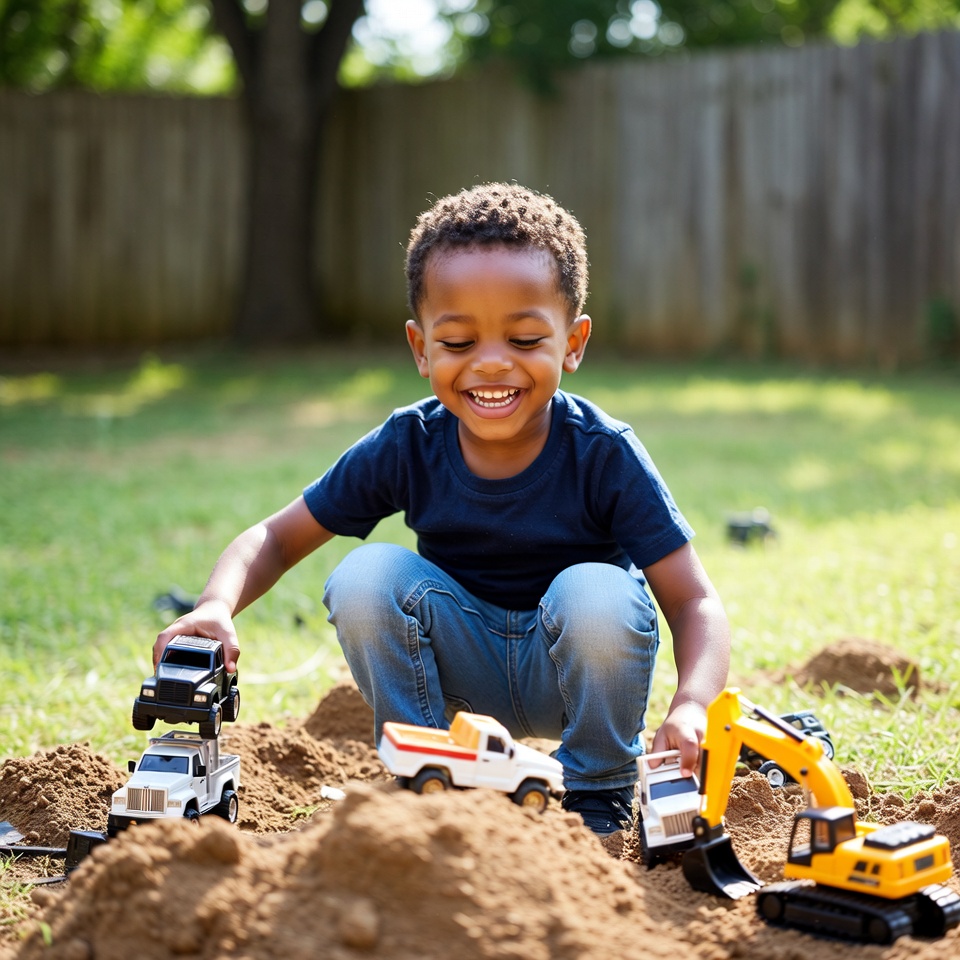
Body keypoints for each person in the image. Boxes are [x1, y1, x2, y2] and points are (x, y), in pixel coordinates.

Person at [155, 182, 731, 837]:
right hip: (459, 675)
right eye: (458, 343)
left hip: (568, 674)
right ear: (420, 348)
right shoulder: (409, 444)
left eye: (523, 338)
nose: (490, 364)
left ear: (573, 342)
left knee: (597, 589)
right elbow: (277, 538)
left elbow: (694, 602)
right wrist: (213, 605)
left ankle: (596, 793)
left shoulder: (604, 454)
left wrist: (691, 704)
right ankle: (429, 773)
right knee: (365, 575)